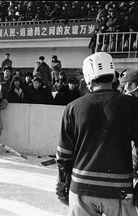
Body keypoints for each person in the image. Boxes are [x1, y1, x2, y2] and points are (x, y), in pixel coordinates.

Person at [56, 52, 138, 216]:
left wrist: (63, 183)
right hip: (120, 190)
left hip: (81, 189)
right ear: (112, 76)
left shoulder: (72, 107)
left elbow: (63, 155)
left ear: (88, 76)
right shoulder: (132, 105)